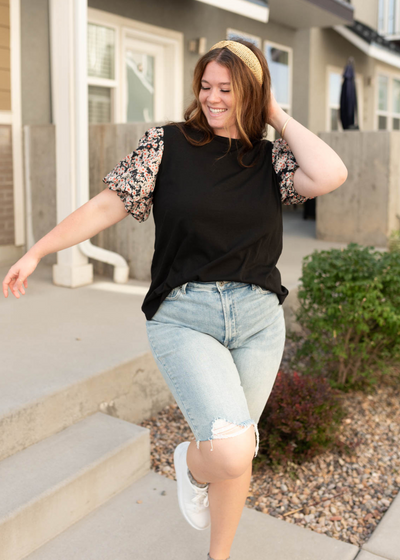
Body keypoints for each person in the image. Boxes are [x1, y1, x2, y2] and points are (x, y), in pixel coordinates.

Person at [2, 38, 347, 560]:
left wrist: (274, 110)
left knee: (240, 452)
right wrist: (39, 251)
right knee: (228, 450)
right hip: (186, 316)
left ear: (251, 93)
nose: (212, 98)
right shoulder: (168, 144)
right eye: (206, 86)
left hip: (258, 320)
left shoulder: (270, 159)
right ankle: (190, 463)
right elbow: (105, 205)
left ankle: (218, 556)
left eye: (227, 89)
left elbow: (330, 174)